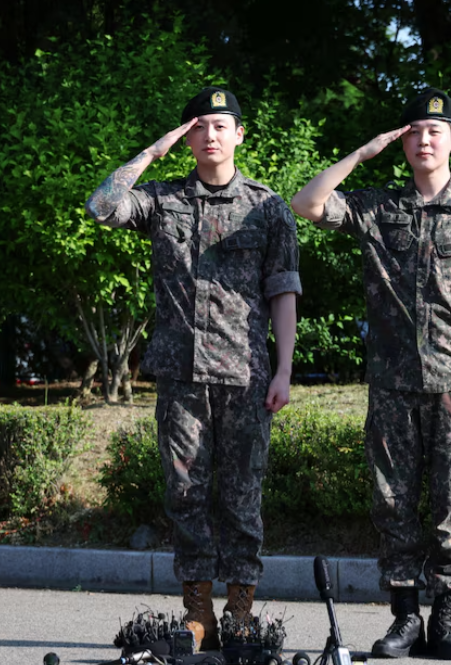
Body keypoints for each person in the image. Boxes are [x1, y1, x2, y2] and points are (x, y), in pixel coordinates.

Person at [290, 88, 451, 661]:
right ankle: (405, 619)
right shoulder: (378, 207)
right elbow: (308, 204)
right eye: (413, 131)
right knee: (393, 502)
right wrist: (361, 155)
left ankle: (446, 621)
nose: (423, 140)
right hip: (392, 386)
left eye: (434, 131)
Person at [85, 87, 300, 651]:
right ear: (188, 137)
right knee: (185, 492)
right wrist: (154, 151)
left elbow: (283, 291)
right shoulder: (161, 200)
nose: (210, 135)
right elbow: (101, 206)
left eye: (221, 125)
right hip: (181, 375)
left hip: (247, 375)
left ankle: (242, 611)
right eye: (199, 126)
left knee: (242, 495)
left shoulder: (267, 207)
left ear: (239, 135)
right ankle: (198, 612)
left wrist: (284, 369)